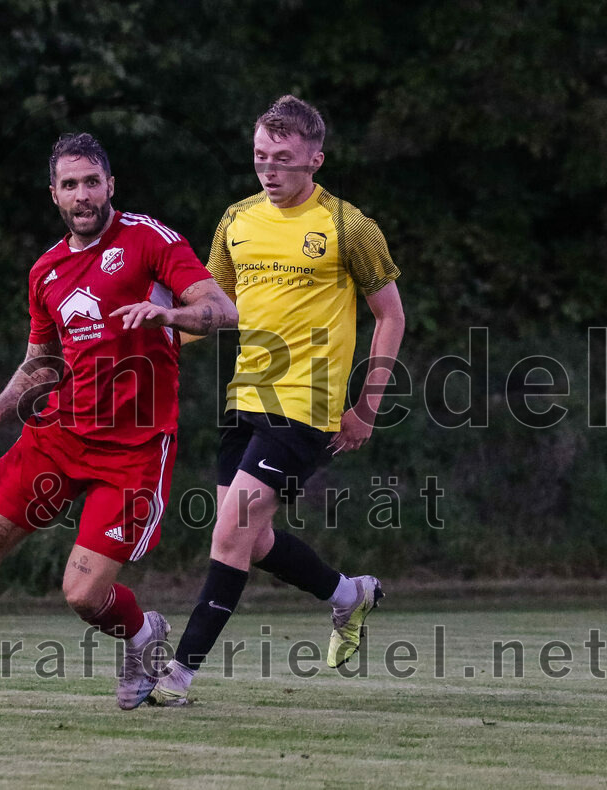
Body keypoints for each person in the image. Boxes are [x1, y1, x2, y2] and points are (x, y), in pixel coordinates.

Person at [0, 132, 237, 712]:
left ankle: (141, 634)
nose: (83, 194)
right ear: (54, 194)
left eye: (92, 181)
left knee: (83, 594)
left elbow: (222, 309)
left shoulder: (150, 240)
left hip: (133, 448)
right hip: (58, 436)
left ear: (110, 185)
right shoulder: (46, 270)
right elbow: (42, 362)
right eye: (70, 184)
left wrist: (169, 314)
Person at [146, 95, 405, 706]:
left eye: (283, 158)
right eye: (261, 156)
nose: (269, 168)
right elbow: (213, 312)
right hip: (246, 398)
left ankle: (177, 676)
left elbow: (390, 316)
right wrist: (155, 332)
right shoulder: (236, 220)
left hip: (307, 405)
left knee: (230, 536)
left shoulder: (348, 226)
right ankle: (348, 594)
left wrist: (366, 408)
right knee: (253, 540)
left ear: (315, 160)